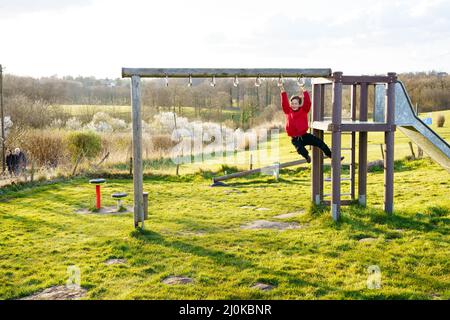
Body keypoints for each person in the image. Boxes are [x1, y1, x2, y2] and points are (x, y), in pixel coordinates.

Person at [279, 83, 342, 163]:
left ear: (299, 104)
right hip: (295, 138)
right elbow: (284, 102)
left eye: (296, 103)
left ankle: (332, 156)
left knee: (320, 143)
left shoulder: (304, 110)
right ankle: (306, 156)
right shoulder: (288, 111)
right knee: (300, 149)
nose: (294, 105)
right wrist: (281, 87)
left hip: (305, 135)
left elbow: (307, 102)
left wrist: (303, 88)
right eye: (292, 103)